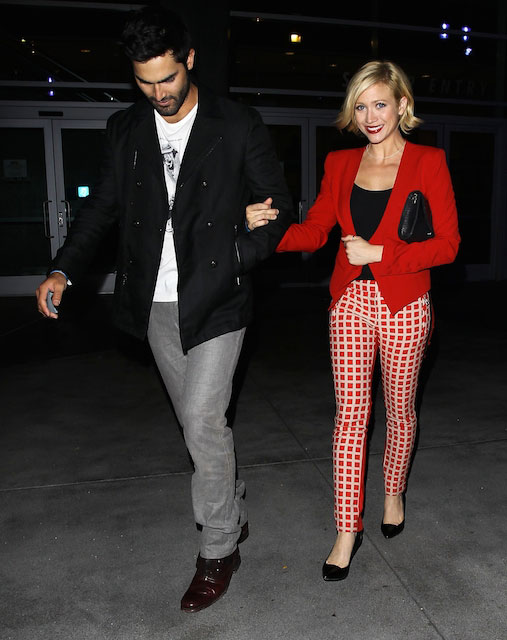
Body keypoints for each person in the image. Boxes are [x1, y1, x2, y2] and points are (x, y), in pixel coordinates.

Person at [35, 4, 293, 612]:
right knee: (199, 430)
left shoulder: (236, 124)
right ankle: (232, 506)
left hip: (218, 299)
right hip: (155, 303)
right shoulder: (125, 129)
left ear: (190, 61)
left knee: (203, 424)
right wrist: (63, 267)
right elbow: (101, 210)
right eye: (145, 82)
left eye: (168, 79)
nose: (159, 93)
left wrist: (238, 252)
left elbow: (277, 204)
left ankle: (218, 549)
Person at [246, 60, 460, 581]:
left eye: (380, 104)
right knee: (350, 415)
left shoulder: (429, 161)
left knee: (400, 408)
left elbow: (448, 246)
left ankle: (393, 491)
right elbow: (318, 230)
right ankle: (346, 528)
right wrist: (271, 229)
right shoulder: (341, 164)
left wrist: (379, 253)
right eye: (360, 106)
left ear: (402, 105)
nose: (370, 116)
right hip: (349, 304)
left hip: (407, 303)